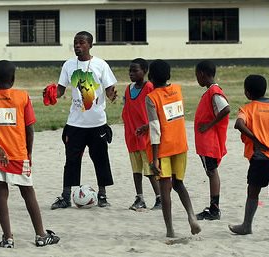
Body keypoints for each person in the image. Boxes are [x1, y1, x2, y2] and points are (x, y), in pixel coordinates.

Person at [0, 60, 60, 248]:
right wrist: (29, 153)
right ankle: (40, 235)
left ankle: (8, 238)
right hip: (18, 154)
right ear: (13, 78)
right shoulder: (22, 96)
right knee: (28, 192)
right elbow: (30, 129)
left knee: (1, 192)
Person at [46, 31, 118, 209]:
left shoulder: (100, 65)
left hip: (97, 122)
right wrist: (52, 94)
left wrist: (111, 95)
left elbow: (109, 88)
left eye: (82, 43)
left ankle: (102, 195)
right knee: (71, 160)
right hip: (75, 123)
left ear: (90, 45)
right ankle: (65, 196)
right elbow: (61, 90)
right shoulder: (69, 65)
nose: (78, 46)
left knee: (100, 158)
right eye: (75, 43)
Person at [146, 59, 201, 238]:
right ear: (169, 75)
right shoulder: (177, 90)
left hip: (163, 148)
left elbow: (156, 128)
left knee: (165, 188)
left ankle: (170, 230)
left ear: (150, 77)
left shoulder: (151, 97)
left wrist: (154, 158)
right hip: (181, 145)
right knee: (179, 184)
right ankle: (192, 216)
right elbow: (169, 118)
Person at [229, 75, 269, 239]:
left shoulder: (248, 109)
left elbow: (239, 124)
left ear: (247, 93)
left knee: (253, 191)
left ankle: (246, 225)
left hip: (261, 158)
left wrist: (256, 139)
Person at [122, 58, 161, 211]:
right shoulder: (128, 88)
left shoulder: (150, 87)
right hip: (132, 135)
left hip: (146, 136)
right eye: (130, 71)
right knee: (136, 170)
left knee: (150, 169)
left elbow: (156, 111)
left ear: (144, 72)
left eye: (135, 70)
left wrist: (147, 127)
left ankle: (159, 198)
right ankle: (140, 198)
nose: (131, 73)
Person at [194, 60, 230, 220]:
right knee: (211, 172)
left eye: (197, 76)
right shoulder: (210, 90)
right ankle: (213, 207)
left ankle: (214, 209)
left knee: (212, 172)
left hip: (209, 141)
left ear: (202, 74)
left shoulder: (214, 91)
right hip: (205, 141)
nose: (197, 79)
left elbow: (226, 109)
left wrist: (209, 125)